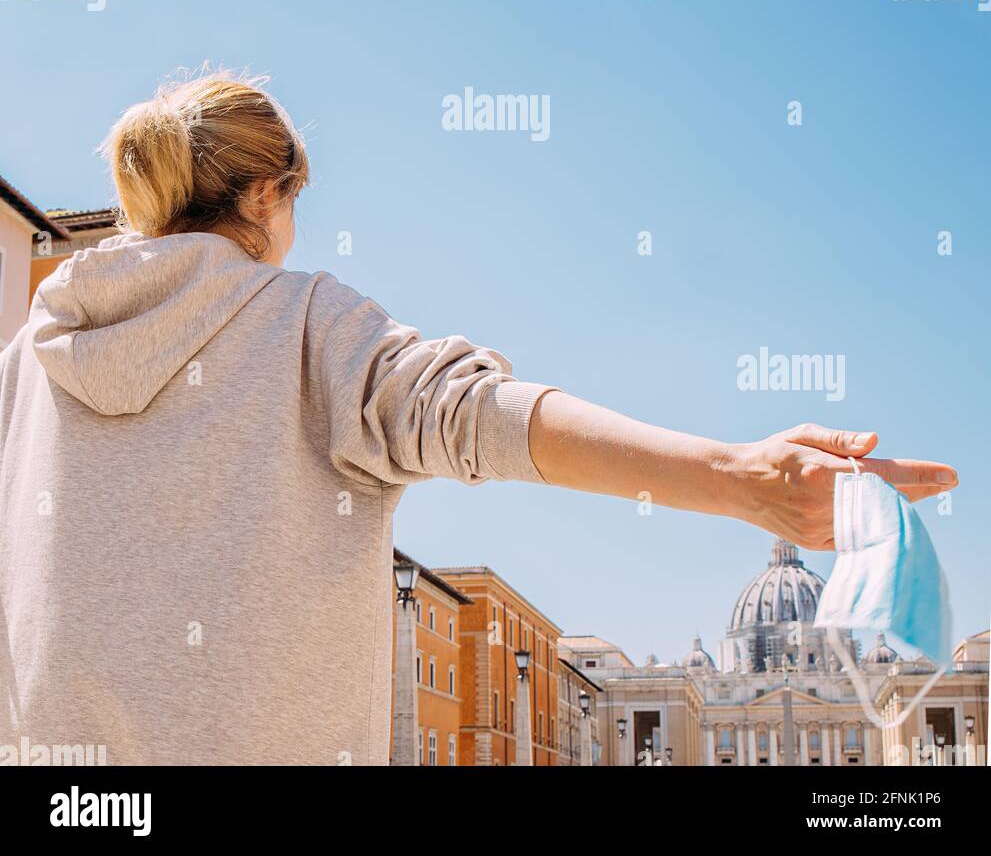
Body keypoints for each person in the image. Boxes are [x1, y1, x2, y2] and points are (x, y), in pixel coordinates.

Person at [0, 72, 958, 766]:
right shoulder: (300, 320)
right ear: (264, 195)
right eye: (295, 201)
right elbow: (482, 417)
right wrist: (738, 478)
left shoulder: (24, 368)